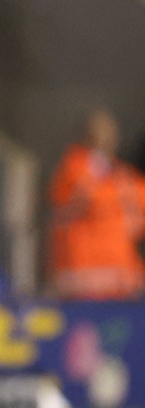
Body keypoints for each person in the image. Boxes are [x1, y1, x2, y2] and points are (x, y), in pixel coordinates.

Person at [48, 108, 145, 300]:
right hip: (82, 271)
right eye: (99, 132)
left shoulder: (121, 174)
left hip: (120, 270)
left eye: (110, 132)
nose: (106, 138)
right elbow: (87, 200)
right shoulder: (74, 168)